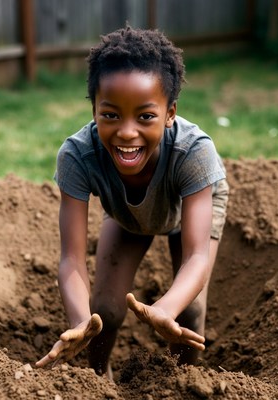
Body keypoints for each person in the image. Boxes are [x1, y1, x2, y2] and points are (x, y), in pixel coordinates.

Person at [35, 26, 228, 378]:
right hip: (127, 215)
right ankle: (98, 379)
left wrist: (165, 309)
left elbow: (197, 256)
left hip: (187, 210)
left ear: (170, 113)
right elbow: (72, 260)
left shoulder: (194, 152)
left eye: (145, 116)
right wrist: (80, 322)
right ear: (93, 108)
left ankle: (180, 381)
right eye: (110, 114)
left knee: (189, 312)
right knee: (103, 312)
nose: (126, 132)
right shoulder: (78, 156)